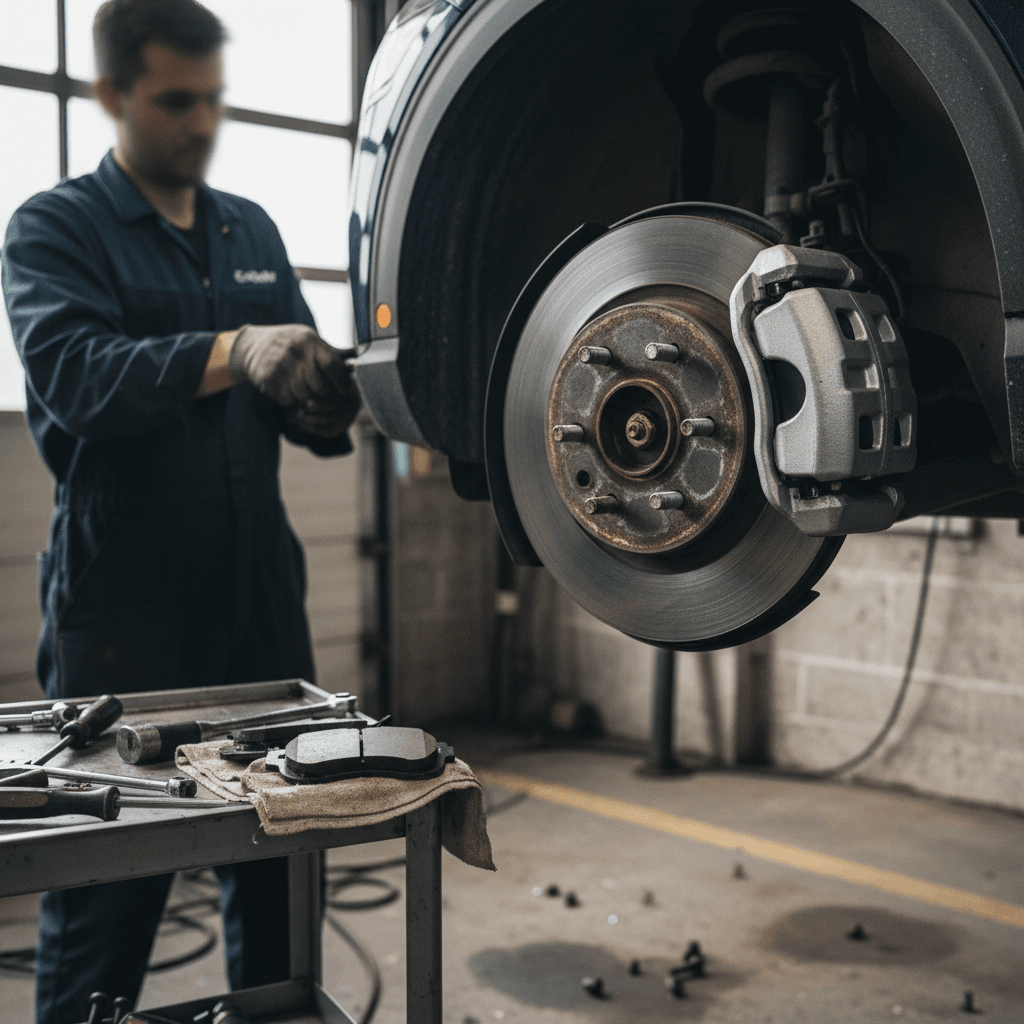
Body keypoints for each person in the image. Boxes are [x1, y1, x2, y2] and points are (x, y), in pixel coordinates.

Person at [1, 1, 360, 1020]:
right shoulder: (54, 227)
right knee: (109, 889)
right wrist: (236, 348)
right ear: (112, 95)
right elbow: (79, 379)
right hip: (125, 622)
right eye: (173, 101)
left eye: (211, 99)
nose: (200, 123)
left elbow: (298, 405)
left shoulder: (251, 229)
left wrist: (330, 393)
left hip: (258, 610)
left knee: (278, 865)